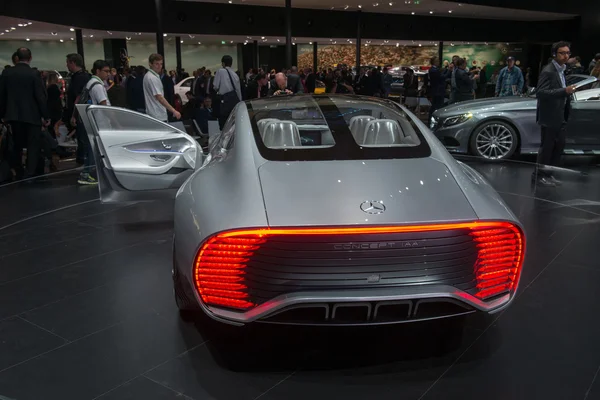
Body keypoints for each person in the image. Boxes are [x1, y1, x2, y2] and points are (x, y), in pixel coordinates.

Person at [0, 47, 49, 181]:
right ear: (30, 57)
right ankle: (30, 172)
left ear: (16, 57)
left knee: (16, 145)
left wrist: (2, 114)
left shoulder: (7, 73)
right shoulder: (34, 74)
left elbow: (2, 95)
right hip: (32, 116)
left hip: (13, 116)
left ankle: (18, 170)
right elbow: (40, 97)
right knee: (33, 145)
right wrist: (46, 115)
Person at [534, 41, 578, 187]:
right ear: (554, 54)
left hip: (560, 115)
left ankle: (548, 175)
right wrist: (564, 91)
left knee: (558, 147)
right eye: (562, 53)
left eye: (568, 53)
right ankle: (540, 176)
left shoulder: (562, 70)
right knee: (547, 148)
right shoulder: (549, 71)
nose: (566, 56)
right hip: (549, 116)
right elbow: (540, 92)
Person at [77, 59, 112, 185]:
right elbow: (103, 105)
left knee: (94, 148)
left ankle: (92, 172)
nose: (108, 74)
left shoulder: (91, 82)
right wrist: (112, 119)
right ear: (98, 71)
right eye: (105, 71)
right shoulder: (97, 85)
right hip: (99, 122)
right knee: (94, 149)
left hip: (93, 120)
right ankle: (87, 173)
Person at [65, 53, 90, 166]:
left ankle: (83, 162)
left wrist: (74, 115)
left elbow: (79, 97)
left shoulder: (79, 78)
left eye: (68, 63)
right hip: (82, 112)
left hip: (81, 113)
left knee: (82, 138)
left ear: (73, 63)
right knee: (82, 138)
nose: (66, 65)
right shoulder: (81, 76)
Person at [143, 54, 181, 122]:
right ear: (150, 64)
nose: (159, 66)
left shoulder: (149, 75)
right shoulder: (152, 77)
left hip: (154, 113)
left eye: (161, 64)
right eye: (156, 64)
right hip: (157, 114)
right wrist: (174, 111)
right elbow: (159, 97)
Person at [213, 55, 241, 129]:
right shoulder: (235, 74)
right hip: (233, 102)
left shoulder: (220, 71)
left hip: (224, 101)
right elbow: (238, 91)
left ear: (223, 63)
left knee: (223, 124)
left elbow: (215, 86)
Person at [428, 56, 451, 121]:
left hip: (437, 91)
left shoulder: (434, 69)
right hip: (437, 91)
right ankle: (433, 120)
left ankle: (433, 119)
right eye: (437, 61)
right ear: (434, 62)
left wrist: (446, 70)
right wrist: (448, 70)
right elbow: (442, 77)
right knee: (436, 106)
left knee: (436, 106)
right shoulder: (433, 70)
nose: (439, 62)